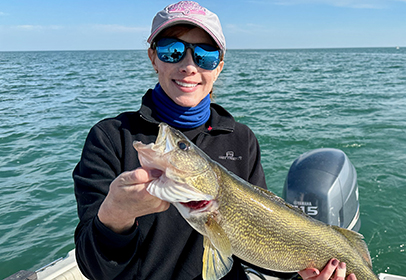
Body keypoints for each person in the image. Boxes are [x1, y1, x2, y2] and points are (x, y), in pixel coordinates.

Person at [73, 1, 357, 279]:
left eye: (205, 55)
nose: (189, 66)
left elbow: (264, 257)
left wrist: (309, 274)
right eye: (172, 51)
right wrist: (115, 217)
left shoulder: (241, 138)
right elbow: (95, 269)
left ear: (219, 66)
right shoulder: (110, 137)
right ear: (153, 57)